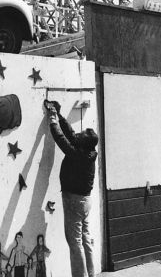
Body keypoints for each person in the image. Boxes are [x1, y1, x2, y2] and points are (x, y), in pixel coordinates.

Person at [44, 100, 98, 277]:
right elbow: (71, 134)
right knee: (85, 240)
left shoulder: (78, 154)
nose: (78, 134)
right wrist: (59, 115)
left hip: (74, 201)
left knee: (75, 243)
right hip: (85, 201)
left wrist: (52, 118)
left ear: (84, 142)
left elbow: (61, 139)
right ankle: (91, 274)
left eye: (82, 135)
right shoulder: (88, 151)